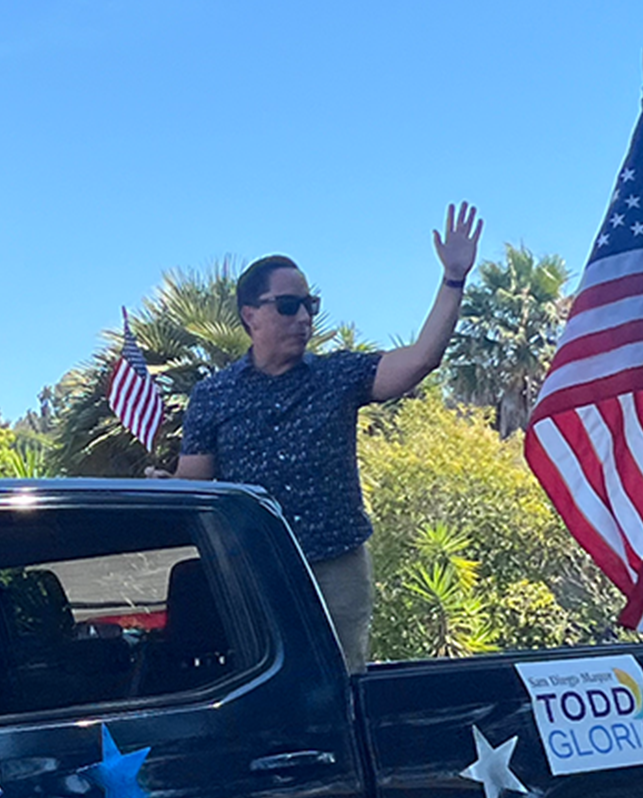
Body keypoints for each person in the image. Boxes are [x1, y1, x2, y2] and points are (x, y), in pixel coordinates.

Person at [155, 202, 482, 673]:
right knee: (264, 688)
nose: (303, 317)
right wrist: (165, 486)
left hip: (337, 567)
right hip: (253, 572)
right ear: (250, 315)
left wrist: (453, 280)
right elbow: (198, 487)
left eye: (310, 305)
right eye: (288, 306)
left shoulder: (338, 376)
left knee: (340, 684)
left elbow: (422, 359)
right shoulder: (212, 395)